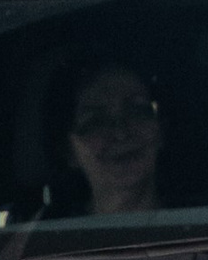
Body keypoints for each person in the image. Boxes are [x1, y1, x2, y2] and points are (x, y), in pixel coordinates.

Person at [62, 58, 163, 220]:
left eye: (136, 110)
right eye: (96, 122)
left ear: (160, 130)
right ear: (69, 151)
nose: (120, 133)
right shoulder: (40, 241)